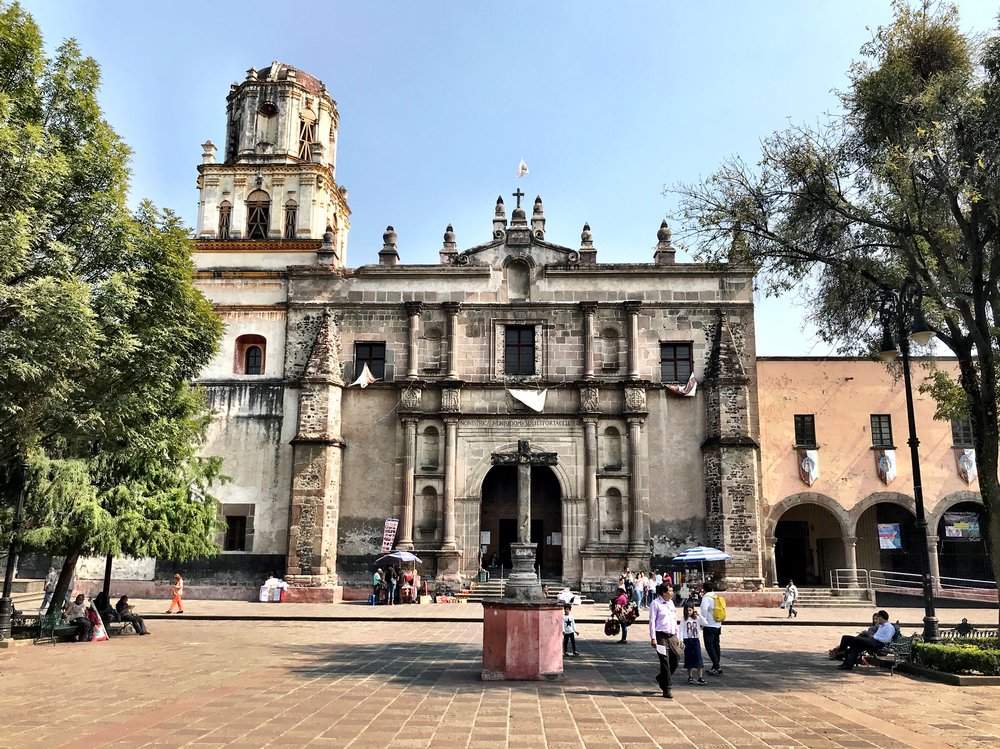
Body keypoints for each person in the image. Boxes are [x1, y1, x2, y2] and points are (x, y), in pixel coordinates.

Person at [648, 582, 679, 699]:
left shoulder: (671, 603)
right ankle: (667, 688)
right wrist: (653, 638)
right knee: (664, 661)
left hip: (672, 635)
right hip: (660, 636)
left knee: (675, 659)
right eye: (669, 591)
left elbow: (674, 620)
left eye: (672, 591)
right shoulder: (655, 604)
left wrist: (677, 636)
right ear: (663, 593)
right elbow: (652, 621)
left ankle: (662, 678)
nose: (672, 593)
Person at [700, 581, 724, 675]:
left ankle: (716, 666)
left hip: (709, 625)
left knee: (709, 646)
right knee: (716, 645)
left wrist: (703, 622)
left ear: (704, 588)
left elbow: (704, 610)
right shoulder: (716, 596)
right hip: (718, 624)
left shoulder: (706, 598)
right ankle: (716, 665)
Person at [681, 603, 707, 685]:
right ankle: (690, 676)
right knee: (689, 659)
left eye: (690, 610)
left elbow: (705, 623)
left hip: (695, 640)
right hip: (687, 640)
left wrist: (699, 615)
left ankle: (700, 677)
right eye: (687, 610)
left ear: (693, 610)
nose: (688, 612)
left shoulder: (697, 618)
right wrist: (681, 640)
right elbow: (681, 630)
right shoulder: (683, 619)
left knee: (698, 658)